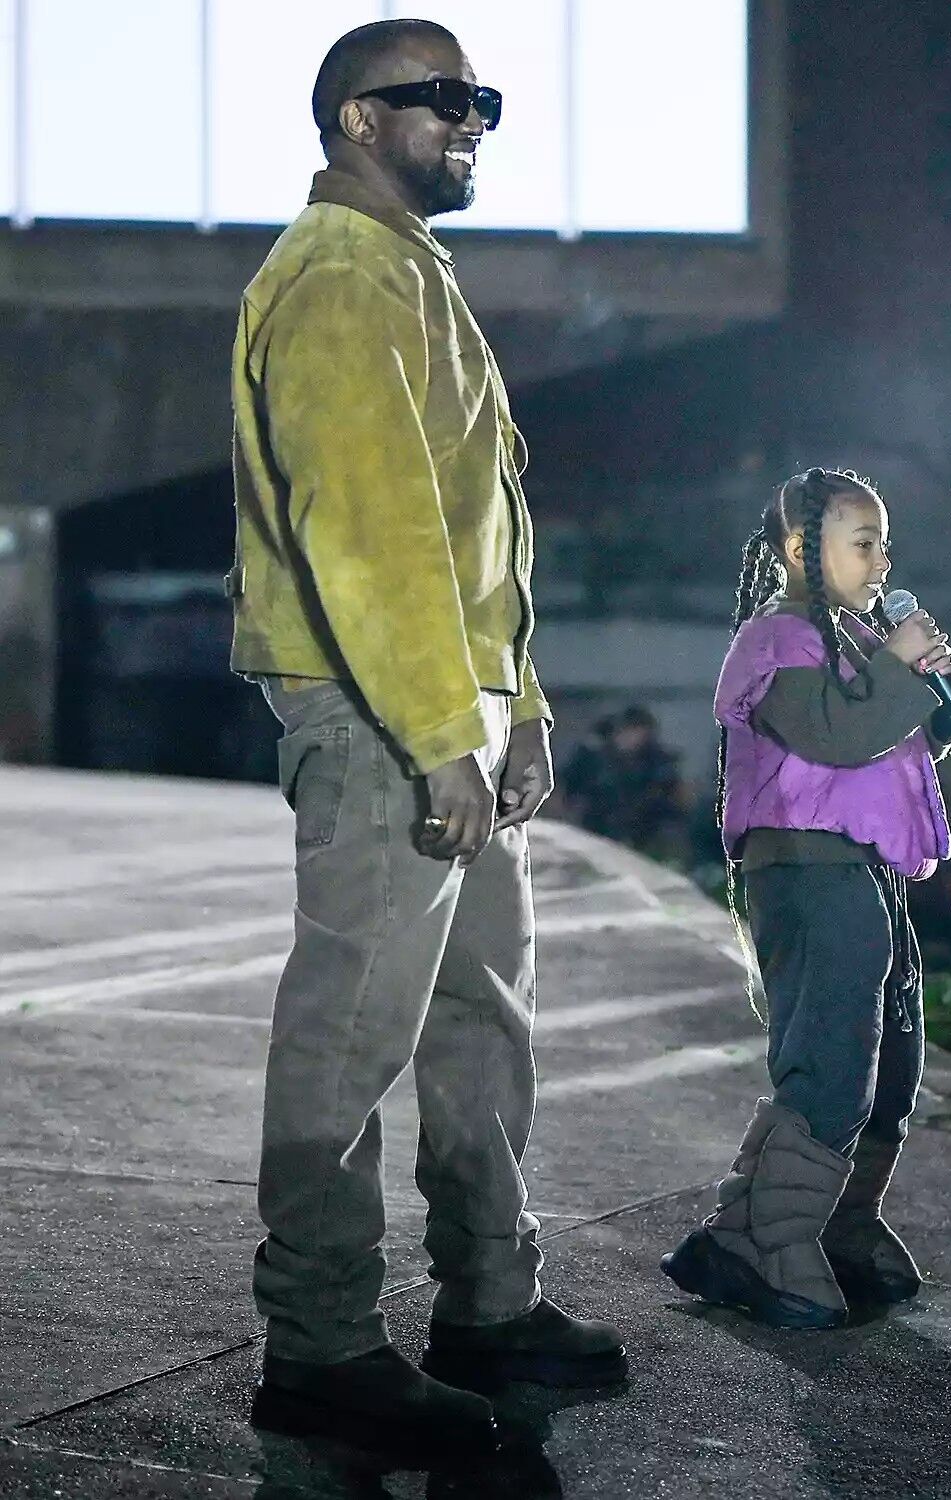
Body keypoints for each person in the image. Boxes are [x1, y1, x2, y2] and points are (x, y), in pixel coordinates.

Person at [227, 18, 625, 1450]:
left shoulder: (409, 270)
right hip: (378, 716)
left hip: (452, 714)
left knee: (480, 1020)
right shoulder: (337, 278)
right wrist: (444, 736)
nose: (469, 119)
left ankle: (489, 1305)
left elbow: (474, 539)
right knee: (350, 1033)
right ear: (351, 120)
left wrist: (520, 715)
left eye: (482, 99)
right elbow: (372, 535)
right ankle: (322, 1346)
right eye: (436, 99)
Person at [661, 466, 951, 1329]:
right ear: (802, 548)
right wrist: (901, 673)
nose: (881, 560)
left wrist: (929, 705)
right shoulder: (777, 640)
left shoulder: (851, 638)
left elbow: (879, 756)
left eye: (885, 543)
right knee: (832, 1059)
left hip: (868, 876)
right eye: (863, 541)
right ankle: (766, 1242)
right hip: (808, 873)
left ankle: (832, 1226)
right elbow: (834, 738)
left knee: (893, 1065)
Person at [561, 706, 689, 857]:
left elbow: (675, 801)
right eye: (628, 730)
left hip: (645, 834)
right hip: (596, 831)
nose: (632, 737)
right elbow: (568, 788)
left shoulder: (657, 763)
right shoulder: (593, 759)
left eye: (638, 731)